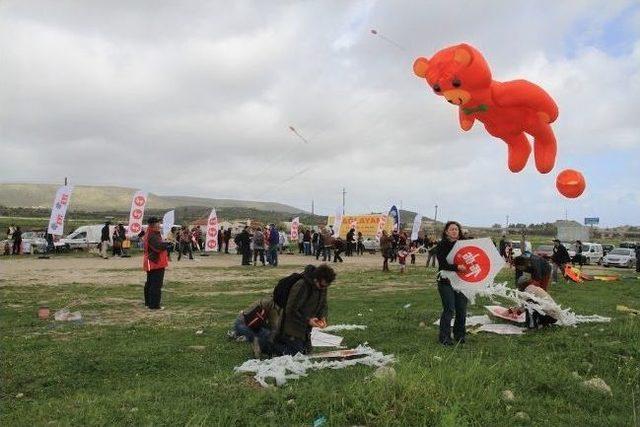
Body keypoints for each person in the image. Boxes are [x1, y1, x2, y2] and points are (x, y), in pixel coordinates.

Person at [274, 264, 336, 356]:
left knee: (306, 352)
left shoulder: (322, 287)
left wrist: (322, 317)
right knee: (295, 355)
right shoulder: (302, 285)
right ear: (316, 279)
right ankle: (266, 343)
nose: (323, 288)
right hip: (291, 328)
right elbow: (290, 310)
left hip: (305, 329)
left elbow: (323, 304)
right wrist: (308, 320)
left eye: (326, 286)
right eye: (322, 285)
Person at [436, 221, 469, 346]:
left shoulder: (464, 245)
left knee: (461, 309)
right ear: (446, 232)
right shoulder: (442, 245)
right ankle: (444, 337)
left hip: (461, 282)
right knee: (449, 309)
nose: (454, 231)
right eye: (452, 229)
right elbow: (443, 264)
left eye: (456, 229)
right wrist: (457, 267)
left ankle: (460, 335)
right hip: (446, 281)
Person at [143, 216, 169, 310]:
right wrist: (167, 245)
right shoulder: (152, 234)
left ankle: (148, 303)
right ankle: (154, 305)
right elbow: (158, 246)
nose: (160, 224)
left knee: (150, 283)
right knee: (156, 284)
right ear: (154, 224)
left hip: (152, 261)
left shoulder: (150, 233)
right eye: (158, 222)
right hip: (155, 262)